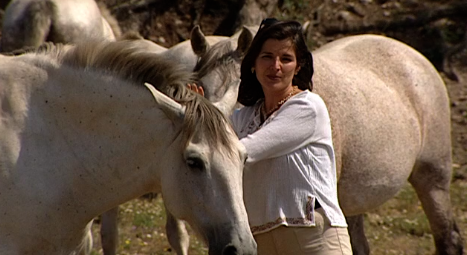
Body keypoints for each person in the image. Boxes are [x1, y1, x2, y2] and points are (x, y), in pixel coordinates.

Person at [190, 18, 352, 255]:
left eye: (286, 59)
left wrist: (207, 121)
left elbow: (238, 151)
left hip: (315, 238)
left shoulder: (308, 107)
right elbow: (210, 151)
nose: (275, 66)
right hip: (261, 240)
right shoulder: (243, 117)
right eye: (266, 57)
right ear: (253, 63)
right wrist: (197, 113)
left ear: (298, 67)